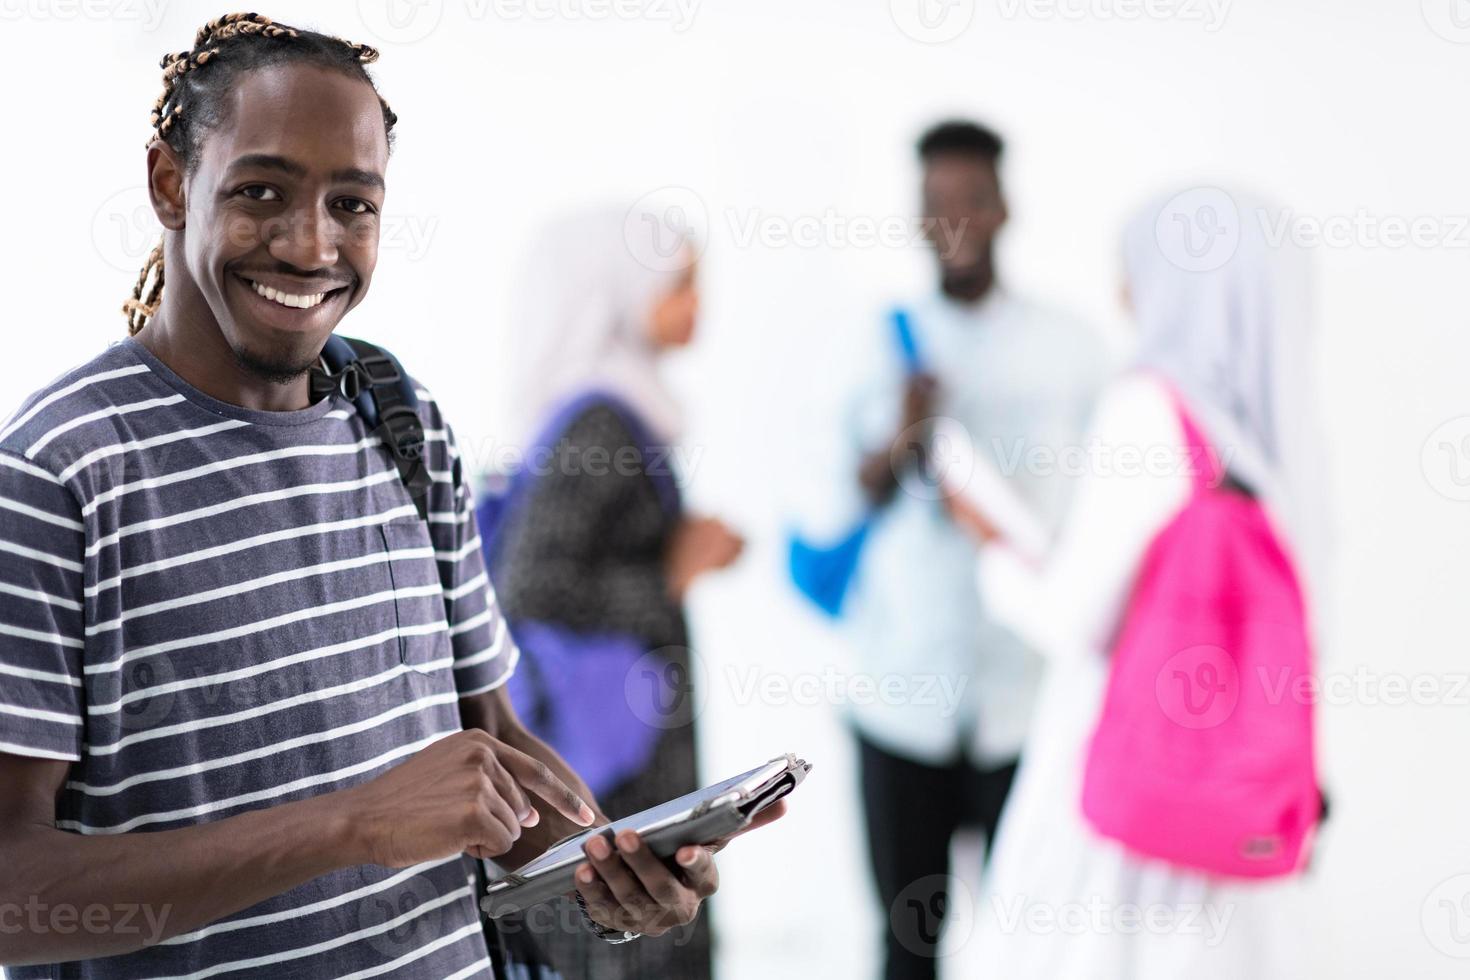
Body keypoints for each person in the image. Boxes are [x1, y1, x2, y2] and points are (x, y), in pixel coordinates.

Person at [0, 15, 780, 979]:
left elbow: (491, 740)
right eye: (260, 192)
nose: (309, 245)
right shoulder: (54, 476)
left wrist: (607, 869)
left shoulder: (398, 419)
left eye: (353, 205)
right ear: (169, 182)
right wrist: (354, 822)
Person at [951, 189, 1327, 978]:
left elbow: (1071, 617)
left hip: (1125, 796)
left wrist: (993, 548)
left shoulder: (1149, 409)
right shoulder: (1276, 442)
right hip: (1235, 811)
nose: (1122, 289)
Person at [834, 120, 1109, 980]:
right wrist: (902, 434)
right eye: (934, 205)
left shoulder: (1070, 347)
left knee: (1031, 946)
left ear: (1003, 208)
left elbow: (1104, 508)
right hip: (898, 698)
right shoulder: (875, 345)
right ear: (917, 215)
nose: (953, 222)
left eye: (970, 202)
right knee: (905, 944)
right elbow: (833, 498)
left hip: (1023, 701)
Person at [482, 209, 742, 980]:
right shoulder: (603, 421)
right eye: (681, 284)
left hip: (623, 742)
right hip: (619, 768)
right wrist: (668, 575)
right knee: (634, 925)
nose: (700, 305)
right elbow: (532, 583)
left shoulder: (623, 408)